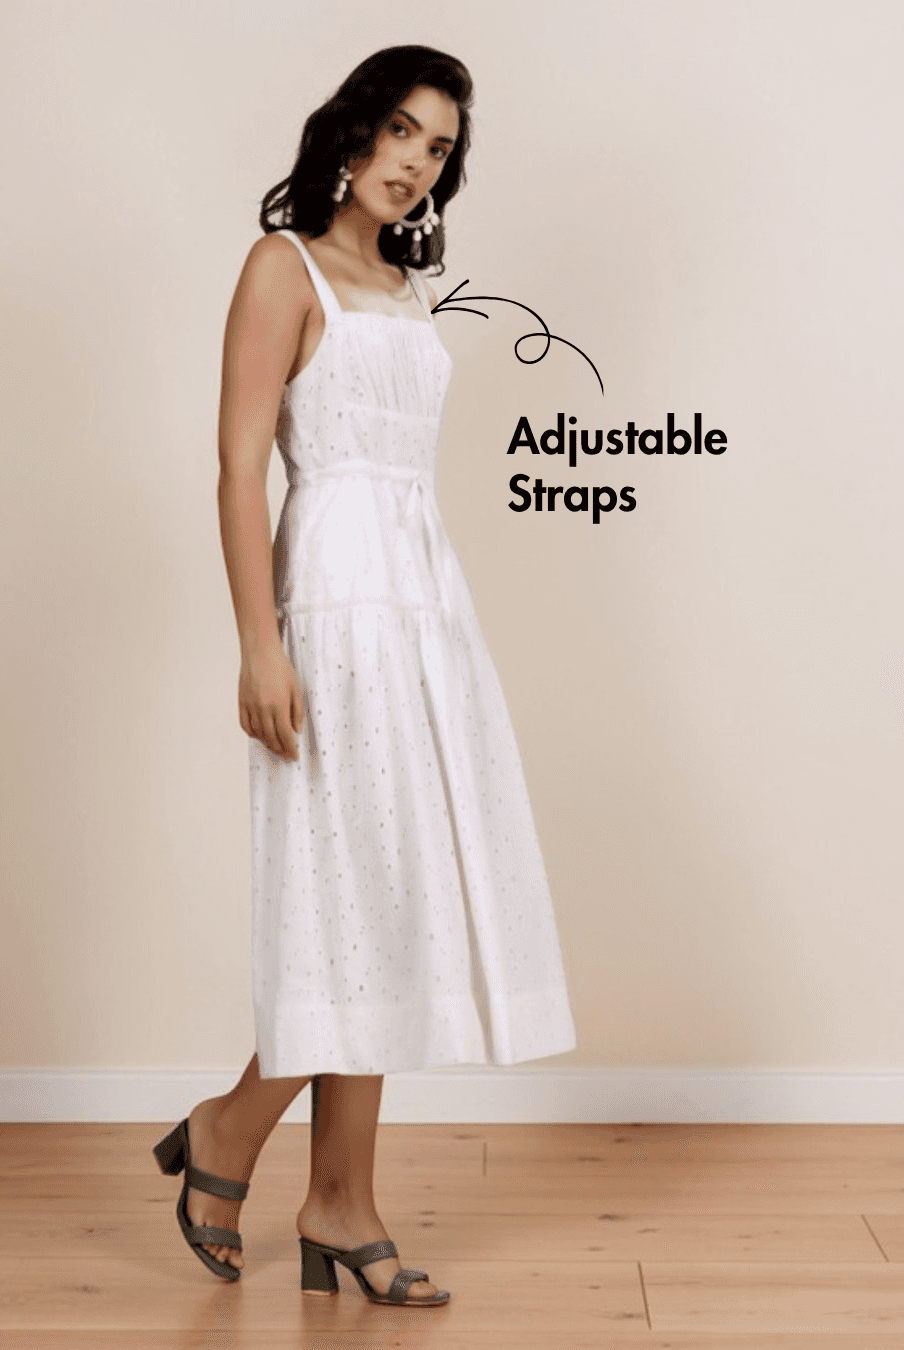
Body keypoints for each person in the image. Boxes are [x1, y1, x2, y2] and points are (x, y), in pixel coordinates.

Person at [153, 44, 577, 1309]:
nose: (415, 161)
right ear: (349, 133)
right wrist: (259, 644)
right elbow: (240, 467)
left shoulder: (407, 289)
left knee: (390, 900)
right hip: (330, 606)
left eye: (438, 147)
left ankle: (334, 1194)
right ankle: (239, 1137)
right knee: (343, 898)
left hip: (423, 605)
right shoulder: (280, 268)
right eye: (400, 130)